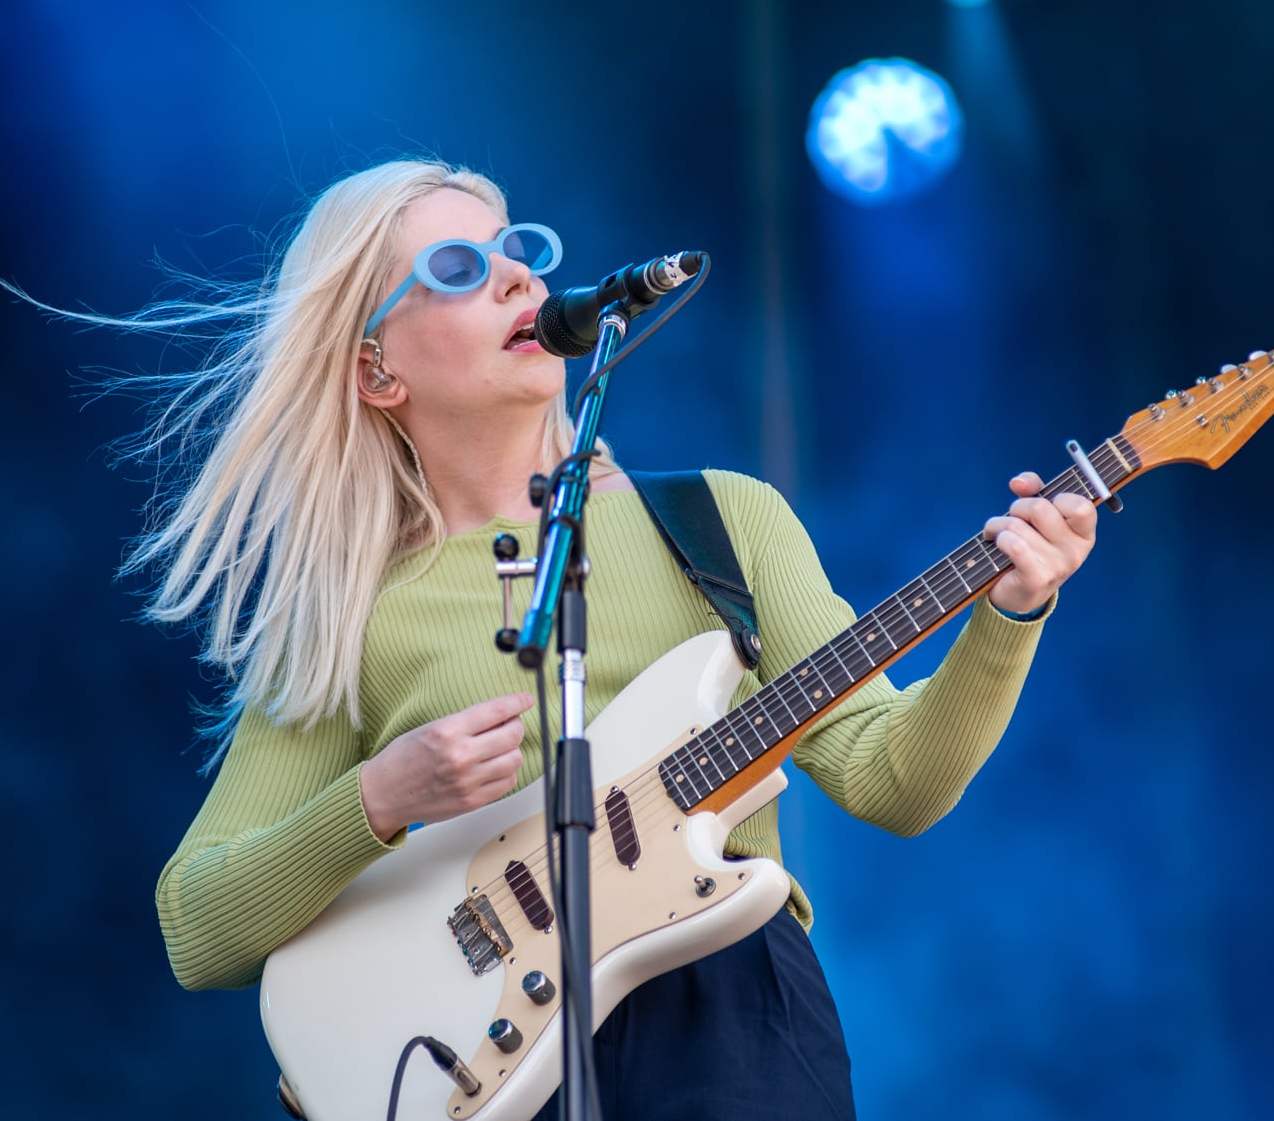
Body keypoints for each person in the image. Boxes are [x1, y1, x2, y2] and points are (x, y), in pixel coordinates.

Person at [138, 159, 1097, 1119]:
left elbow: (897, 782)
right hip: (493, 1058)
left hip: (730, 1013)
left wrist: (1007, 614)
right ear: (375, 370)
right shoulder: (353, 614)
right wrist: (381, 795)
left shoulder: (722, 521)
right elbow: (198, 927)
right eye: (458, 269)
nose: (519, 278)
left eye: (518, 253)